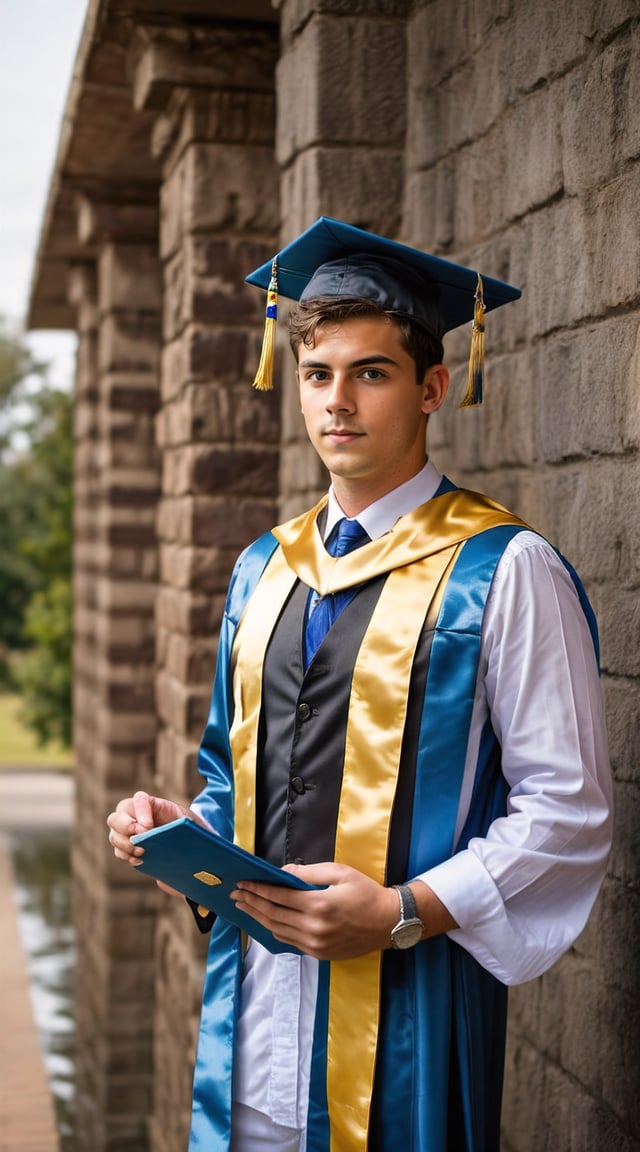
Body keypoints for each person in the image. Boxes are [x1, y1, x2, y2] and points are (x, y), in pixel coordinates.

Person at [107, 218, 612, 1152]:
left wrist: (402, 913)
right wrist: (184, 833)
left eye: (370, 374)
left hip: (407, 1017)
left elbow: (567, 808)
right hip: (251, 1014)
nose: (337, 402)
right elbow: (234, 773)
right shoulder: (264, 568)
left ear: (432, 388)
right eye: (317, 374)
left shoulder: (505, 569)